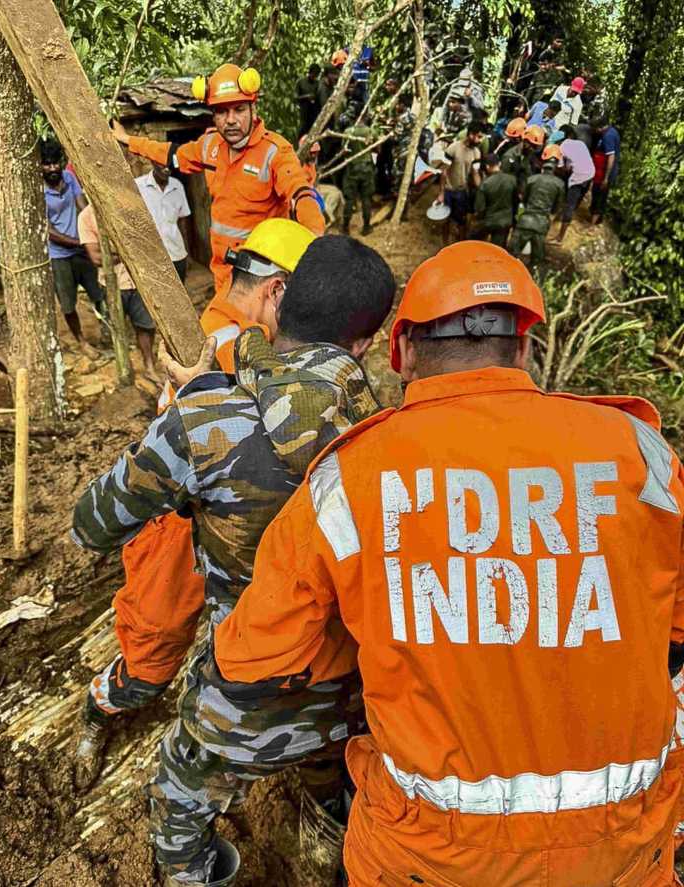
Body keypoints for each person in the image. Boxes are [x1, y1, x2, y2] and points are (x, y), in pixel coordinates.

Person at [214, 240, 684, 887]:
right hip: (622, 852)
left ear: (400, 353)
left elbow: (249, 659)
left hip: (426, 858)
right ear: (525, 349)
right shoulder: (639, 450)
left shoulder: (350, 479)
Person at [72, 235, 397, 885]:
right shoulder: (399, 435)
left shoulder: (206, 419)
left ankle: (195, 871)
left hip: (239, 694)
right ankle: (329, 828)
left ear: (277, 300)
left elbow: (92, 525)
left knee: (178, 798)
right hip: (354, 697)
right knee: (338, 781)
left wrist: (200, 411)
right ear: (367, 344)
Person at [70, 218, 317, 792]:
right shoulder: (216, 342)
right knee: (152, 650)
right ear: (276, 289)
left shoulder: (243, 335)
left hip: (246, 522)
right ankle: (103, 705)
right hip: (182, 525)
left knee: (242, 640)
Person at [111, 63, 324, 296]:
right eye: (221, 111)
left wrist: (316, 243)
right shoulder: (211, 145)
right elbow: (172, 154)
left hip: (262, 276)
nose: (230, 120)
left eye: (239, 109)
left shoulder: (274, 151)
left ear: (254, 109)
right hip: (223, 271)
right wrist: (128, 140)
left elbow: (300, 192)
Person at [77, 204, 158, 377]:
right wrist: (126, 253)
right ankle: (124, 370)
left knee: (146, 326)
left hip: (138, 281)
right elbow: (97, 258)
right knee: (117, 328)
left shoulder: (126, 208)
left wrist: (117, 252)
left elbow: (144, 243)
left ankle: (149, 367)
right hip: (112, 284)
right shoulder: (86, 217)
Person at [42, 140, 105, 358]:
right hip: (59, 256)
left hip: (82, 250)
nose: (52, 168)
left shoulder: (69, 179)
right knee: (68, 303)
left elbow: (83, 206)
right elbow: (48, 231)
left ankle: (106, 331)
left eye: (55, 163)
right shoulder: (39, 192)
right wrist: (80, 242)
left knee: (99, 293)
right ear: (40, 166)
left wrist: (94, 229)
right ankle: (81, 341)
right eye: (47, 164)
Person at [135, 161, 191, 283]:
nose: (167, 169)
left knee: (179, 295)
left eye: (170, 165)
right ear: (153, 162)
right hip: (152, 257)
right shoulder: (138, 186)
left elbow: (182, 221)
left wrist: (186, 252)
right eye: (162, 164)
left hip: (177, 253)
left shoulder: (177, 186)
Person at [510, 150, 565, 270]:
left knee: (510, 255)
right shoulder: (559, 184)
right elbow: (556, 208)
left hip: (525, 220)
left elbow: (523, 200)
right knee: (536, 260)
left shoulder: (532, 179)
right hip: (541, 224)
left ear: (542, 165)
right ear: (555, 167)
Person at [436, 121, 485, 243]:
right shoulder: (453, 148)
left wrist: (482, 190)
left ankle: (460, 245)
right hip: (448, 189)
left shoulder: (476, 153)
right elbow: (444, 171)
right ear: (471, 135)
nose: (480, 140)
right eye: (479, 136)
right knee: (445, 219)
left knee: (462, 221)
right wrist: (441, 193)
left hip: (462, 191)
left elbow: (475, 173)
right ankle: (445, 245)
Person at [556, 125, 595, 242]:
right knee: (574, 201)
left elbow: (561, 169)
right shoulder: (581, 143)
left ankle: (559, 237)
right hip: (590, 172)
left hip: (579, 176)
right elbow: (579, 159)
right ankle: (568, 215)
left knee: (569, 204)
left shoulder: (561, 147)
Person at [342, 115, 377, 236]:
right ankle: (366, 227)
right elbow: (377, 148)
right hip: (366, 169)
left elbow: (344, 151)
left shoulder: (347, 132)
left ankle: (345, 227)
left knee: (350, 199)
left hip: (352, 169)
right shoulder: (370, 131)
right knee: (366, 198)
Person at [473, 153, 517, 248]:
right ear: (500, 164)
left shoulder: (485, 184)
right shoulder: (512, 180)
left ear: (487, 166)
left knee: (474, 242)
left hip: (489, 221)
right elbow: (516, 202)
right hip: (505, 222)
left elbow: (480, 208)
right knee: (498, 250)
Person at [590, 115, 621, 225]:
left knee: (600, 197)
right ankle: (594, 219)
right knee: (596, 193)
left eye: (595, 129)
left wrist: (606, 178)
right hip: (602, 171)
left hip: (606, 173)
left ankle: (592, 225)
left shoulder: (608, 136)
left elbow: (611, 157)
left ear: (600, 127)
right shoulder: (609, 131)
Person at [295, 63, 321, 137]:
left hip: (314, 112)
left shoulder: (318, 83)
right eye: (313, 74)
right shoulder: (301, 82)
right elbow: (295, 98)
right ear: (310, 72)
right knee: (302, 130)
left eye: (316, 75)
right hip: (304, 112)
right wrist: (306, 97)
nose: (314, 77)